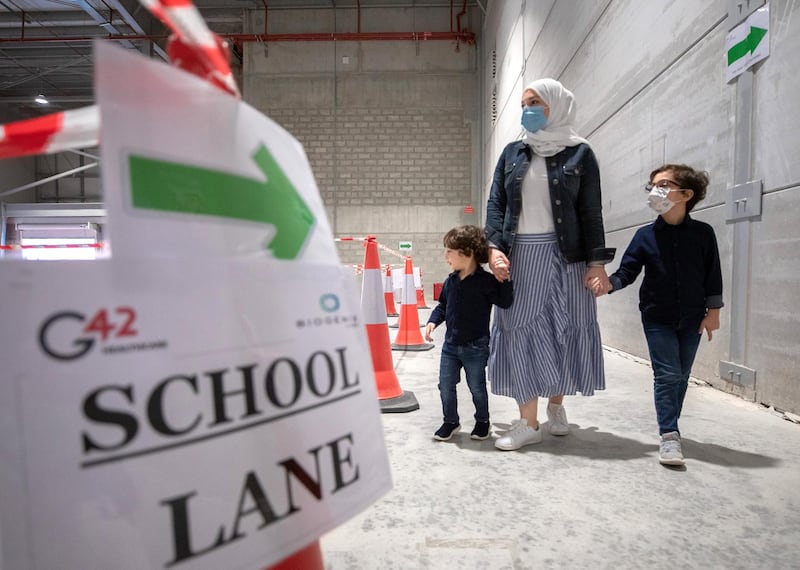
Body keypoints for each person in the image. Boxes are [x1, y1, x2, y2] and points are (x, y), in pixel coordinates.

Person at [485, 78, 615, 451]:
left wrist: (596, 263)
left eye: (535, 102)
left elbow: (591, 212)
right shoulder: (512, 152)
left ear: (555, 105)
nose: (528, 109)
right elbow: (496, 204)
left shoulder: (580, 153)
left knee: (565, 325)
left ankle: (556, 405)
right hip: (521, 253)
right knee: (519, 326)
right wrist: (493, 248)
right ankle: (529, 422)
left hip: (568, 256)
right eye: (525, 103)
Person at [592, 164, 723, 466]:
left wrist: (713, 312)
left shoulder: (704, 234)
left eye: (663, 184)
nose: (655, 191)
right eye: (652, 185)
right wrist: (608, 285)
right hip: (656, 317)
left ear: (686, 194)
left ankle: (670, 426)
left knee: (681, 376)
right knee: (666, 375)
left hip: (692, 317)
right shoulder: (644, 235)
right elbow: (627, 271)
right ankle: (669, 434)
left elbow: (712, 275)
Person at [425, 225, 513, 442]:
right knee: (445, 385)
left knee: (477, 387)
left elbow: (505, 302)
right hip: (450, 346)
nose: (446, 256)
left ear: (467, 252)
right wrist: (432, 322)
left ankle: (482, 421)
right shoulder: (450, 282)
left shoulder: (486, 282)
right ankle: (450, 421)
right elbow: (443, 307)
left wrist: (505, 281)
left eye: (449, 251)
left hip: (476, 346)